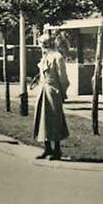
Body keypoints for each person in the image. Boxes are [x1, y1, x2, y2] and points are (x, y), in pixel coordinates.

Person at [32, 32, 70, 160]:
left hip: (53, 91)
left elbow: (63, 78)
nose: (42, 46)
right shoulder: (44, 57)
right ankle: (47, 148)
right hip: (43, 90)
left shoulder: (57, 57)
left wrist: (62, 92)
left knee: (55, 119)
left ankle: (57, 150)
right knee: (43, 118)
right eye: (41, 43)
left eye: (43, 43)